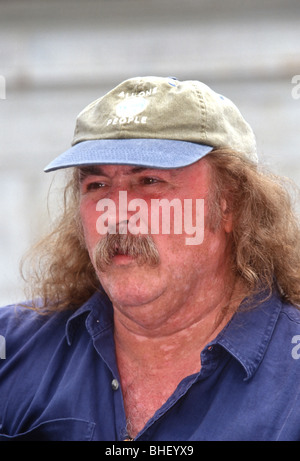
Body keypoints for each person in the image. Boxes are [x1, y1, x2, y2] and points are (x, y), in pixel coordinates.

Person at [0, 76, 299, 441]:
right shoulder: (13, 350)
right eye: (97, 186)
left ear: (228, 203)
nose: (118, 213)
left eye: (150, 181)